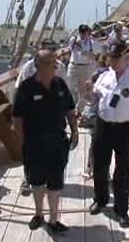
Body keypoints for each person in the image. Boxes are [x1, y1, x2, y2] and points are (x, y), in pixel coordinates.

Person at [12, 49, 79, 232]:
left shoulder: (60, 85)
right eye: (50, 63)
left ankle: (53, 219)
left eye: (54, 63)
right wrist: (23, 143)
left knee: (56, 182)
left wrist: (75, 131)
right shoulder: (26, 87)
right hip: (34, 143)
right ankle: (39, 214)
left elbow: (70, 111)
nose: (55, 66)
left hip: (58, 142)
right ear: (38, 66)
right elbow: (17, 119)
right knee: (37, 182)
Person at [89, 42, 129, 228]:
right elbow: (96, 95)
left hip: (126, 128)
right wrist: (89, 95)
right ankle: (100, 199)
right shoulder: (104, 75)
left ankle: (121, 209)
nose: (111, 60)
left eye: (115, 57)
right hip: (103, 125)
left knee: (122, 170)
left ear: (126, 57)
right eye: (110, 57)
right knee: (100, 166)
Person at [13, 39, 67, 196]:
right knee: (30, 151)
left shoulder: (61, 68)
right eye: (47, 49)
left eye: (53, 49)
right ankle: (27, 178)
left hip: (53, 119)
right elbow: (19, 90)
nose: (51, 52)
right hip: (32, 118)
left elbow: (65, 92)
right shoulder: (29, 67)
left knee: (53, 152)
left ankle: (51, 180)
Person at [80, 54, 109, 179]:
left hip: (95, 113)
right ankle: (103, 171)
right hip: (105, 113)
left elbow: (87, 98)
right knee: (106, 145)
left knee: (95, 143)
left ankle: (90, 168)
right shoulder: (111, 75)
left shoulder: (96, 75)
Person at [67, 24, 95, 117]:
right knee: (71, 87)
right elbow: (70, 50)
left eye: (85, 32)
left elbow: (93, 56)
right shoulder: (74, 40)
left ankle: (79, 111)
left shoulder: (91, 42)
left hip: (85, 67)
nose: (83, 34)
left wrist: (84, 52)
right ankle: (71, 108)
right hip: (74, 66)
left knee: (82, 91)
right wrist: (75, 47)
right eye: (81, 32)